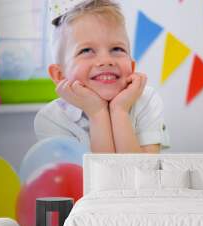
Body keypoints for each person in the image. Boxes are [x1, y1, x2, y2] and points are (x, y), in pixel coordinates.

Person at [34, 0, 170, 153]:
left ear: (132, 67)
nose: (106, 60)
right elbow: (97, 176)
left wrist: (120, 111)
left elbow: (144, 173)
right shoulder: (52, 119)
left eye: (117, 48)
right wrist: (97, 113)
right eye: (86, 51)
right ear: (59, 75)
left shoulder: (147, 100)